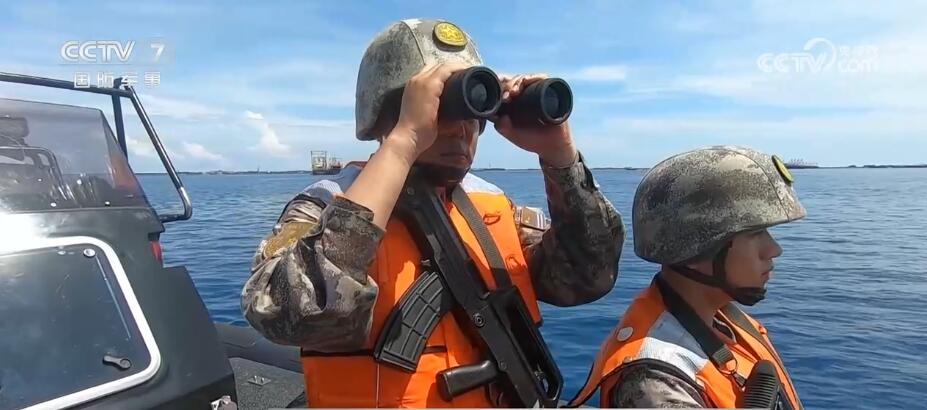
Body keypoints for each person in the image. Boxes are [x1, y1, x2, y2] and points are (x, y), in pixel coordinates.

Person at [240, 18, 625, 408]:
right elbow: (288, 314)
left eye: (472, 113)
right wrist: (404, 143)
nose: (461, 130)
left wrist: (560, 157)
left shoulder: (490, 206)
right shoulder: (329, 203)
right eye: (442, 108)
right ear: (388, 115)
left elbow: (586, 277)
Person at [567, 146, 806, 409]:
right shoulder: (655, 385)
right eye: (755, 233)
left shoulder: (719, 318)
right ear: (699, 247)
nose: (774, 249)